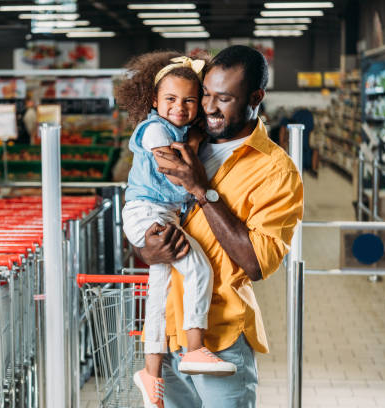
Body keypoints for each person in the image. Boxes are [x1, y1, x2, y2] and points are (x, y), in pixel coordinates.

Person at [133, 45, 304, 407]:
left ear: (256, 97)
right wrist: (146, 249)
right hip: (167, 335)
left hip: (219, 338)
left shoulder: (275, 171)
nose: (209, 108)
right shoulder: (182, 140)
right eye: (206, 95)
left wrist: (201, 189)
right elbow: (146, 216)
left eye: (224, 98)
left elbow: (256, 262)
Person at [115, 51, 237, 408]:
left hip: (158, 213)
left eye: (189, 101)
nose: (179, 107)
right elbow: (173, 166)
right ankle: (195, 348)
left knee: (159, 292)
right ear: (154, 101)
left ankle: (150, 372)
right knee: (199, 267)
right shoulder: (156, 128)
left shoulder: (179, 128)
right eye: (170, 99)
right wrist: (196, 146)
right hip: (148, 212)